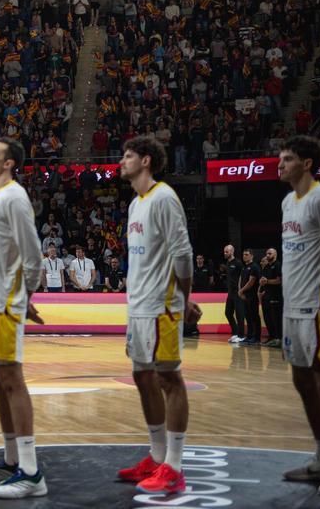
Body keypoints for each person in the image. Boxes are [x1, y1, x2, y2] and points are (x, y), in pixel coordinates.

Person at [115, 135, 199, 496]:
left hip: (163, 305)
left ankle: (175, 467)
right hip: (139, 305)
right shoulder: (136, 204)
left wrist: (185, 297)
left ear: (146, 161)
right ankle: (156, 454)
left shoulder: (164, 197)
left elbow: (182, 253)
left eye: (128, 156)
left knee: (169, 378)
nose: (122, 161)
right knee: (142, 376)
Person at [0, 138, 47, 499]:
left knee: (12, 377)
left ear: (10, 163)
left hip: (5, 300)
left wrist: (23, 297)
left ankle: (31, 472)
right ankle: (11, 459)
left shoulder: (15, 197)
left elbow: (33, 254)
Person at [276, 136, 320, 495]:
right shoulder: (288, 202)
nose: (280, 165)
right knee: (302, 383)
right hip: (292, 308)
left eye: (287, 159)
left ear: (307, 163)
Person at [259, 247, 282, 348]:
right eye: (267, 253)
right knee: (268, 318)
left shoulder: (278, 265)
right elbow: (264, 280)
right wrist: (262, 286)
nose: (267, 255)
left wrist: (267, 281)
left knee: (276, 318)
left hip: (276, 295)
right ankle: (272, 337)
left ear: (275, 254)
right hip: (267, 295)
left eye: (270, 254)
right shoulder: (267, 266)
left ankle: (279, 339)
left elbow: (279, 280)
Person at [223, 244, 245, 343]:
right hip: (230, 293)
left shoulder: (238, 263)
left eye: (226, 252)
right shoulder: (227, 263)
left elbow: (243, 276)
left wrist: (241, 290)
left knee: (239, 314)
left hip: (237, 292)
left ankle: (241, 335)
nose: (225, 253)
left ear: (231, 252)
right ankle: (235, 333)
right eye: (224, 252)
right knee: (228, 313)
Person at [238, 249, 261, 346]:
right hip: (244, 296)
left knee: (254, 316)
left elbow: (251, 282)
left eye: (247, 255)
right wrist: (240, 290)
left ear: (252, 256)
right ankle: (249, 336)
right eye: (243, 255)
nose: (244, 256)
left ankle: (256, 338)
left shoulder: (254, 267)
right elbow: (240, 279)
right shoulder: (244, 267)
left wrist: (242, 290)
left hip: (252, 296)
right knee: (247, 316)